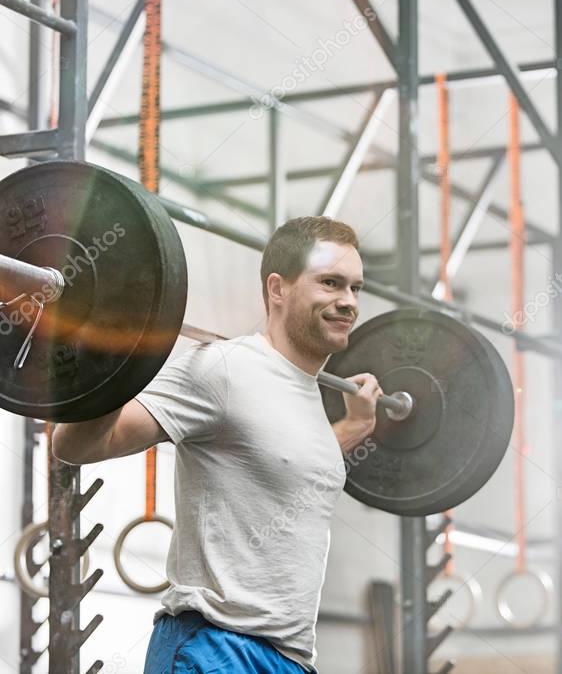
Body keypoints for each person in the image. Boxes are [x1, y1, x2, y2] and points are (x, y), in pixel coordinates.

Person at [52, 216, 381, 673]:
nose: (348, 302)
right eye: (330, 283)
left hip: (291, 657)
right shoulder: (222, 370)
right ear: (278, 289)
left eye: (355, 288)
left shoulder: (308, 399)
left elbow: (287, 462)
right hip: (216, 647)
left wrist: (354, 427)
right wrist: (111, 351)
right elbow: (78, 445)